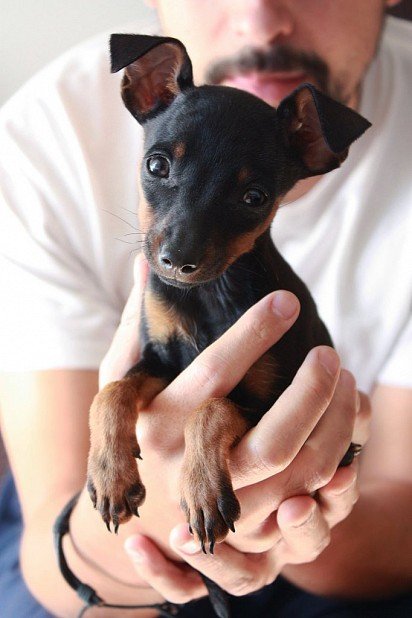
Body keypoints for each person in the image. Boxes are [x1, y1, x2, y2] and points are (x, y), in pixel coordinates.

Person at [0, 1, 411, 616]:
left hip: (331, 547)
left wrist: (280, 516)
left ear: (313, 145)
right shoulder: (42, 136)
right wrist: (142, 538)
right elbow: (54, 553)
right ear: (147, 85)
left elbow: (395, 522)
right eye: (161, 168)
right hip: (100, 552)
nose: (260, 17)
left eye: (249, 196)